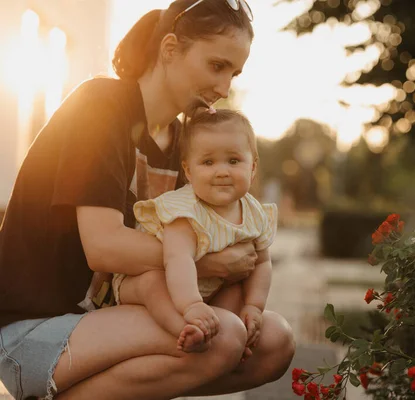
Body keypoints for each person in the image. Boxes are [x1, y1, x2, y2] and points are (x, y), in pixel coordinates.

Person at [0, 0, 295, 399]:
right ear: (170, 49)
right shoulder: (100, 106)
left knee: (273, 342)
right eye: (216, 66)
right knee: (223, 336)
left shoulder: (184, 146)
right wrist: (207, 261)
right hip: (31, 332)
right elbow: (103, 248)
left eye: (234, 73)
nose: (224, 89)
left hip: (109, 321)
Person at [113, 107, 277, 354]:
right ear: (188, 171)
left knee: (235, 288)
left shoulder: (255, 214)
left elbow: (262, 263)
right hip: (154, 282)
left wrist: (254, 306)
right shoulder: (185, 211)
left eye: (233, 161)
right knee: (152, 282)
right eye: (208, 162)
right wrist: (191, 305)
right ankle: (183, 328)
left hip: (209, 287)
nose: (222, 171)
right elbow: (177, 260)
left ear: (252, 168)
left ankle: (228, 336)